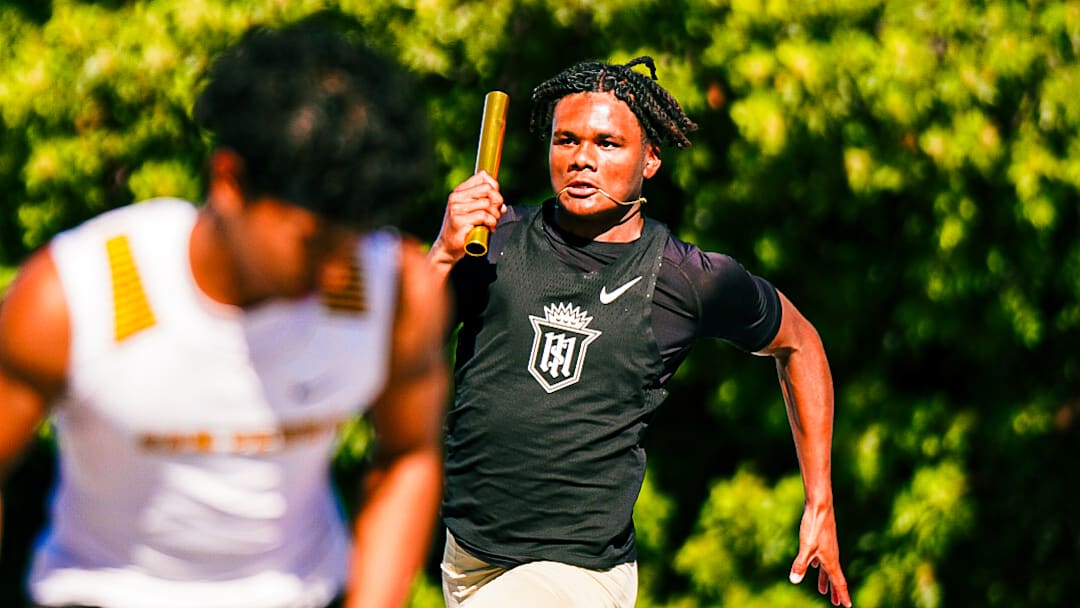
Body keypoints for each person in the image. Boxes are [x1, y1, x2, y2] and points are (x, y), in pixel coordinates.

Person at [0, 20, 449, 608]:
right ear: (229, 181)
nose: (338, 274)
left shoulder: (395, 290)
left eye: (356, 241)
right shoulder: (79, 294)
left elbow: (408, 456)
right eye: (314, 245)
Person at [428, 56, 852, 608]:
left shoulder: (685, 279)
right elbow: (393, 354)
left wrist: (820, 501)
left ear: (650, 157)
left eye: (607, 144)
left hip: (576, 573)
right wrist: (441, 252)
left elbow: (801, 343)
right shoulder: (494, 239)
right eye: (566, 140)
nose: (582, 159)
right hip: (466, 559)